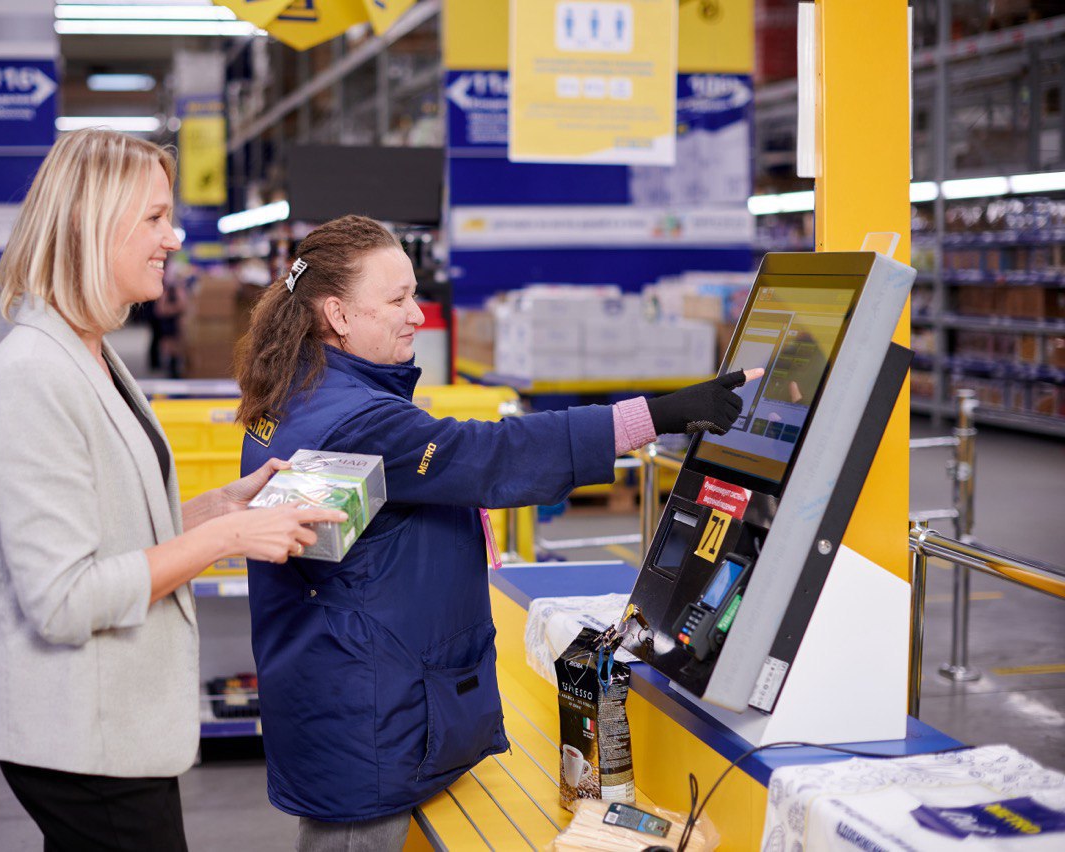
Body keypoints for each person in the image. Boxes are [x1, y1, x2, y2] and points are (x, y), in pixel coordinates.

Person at [233, 214, 762, 850]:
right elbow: (492, 456)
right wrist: (659, 414)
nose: (418, 315)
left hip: (343, 700)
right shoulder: (354, 420)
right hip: (365, 726)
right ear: (338, 315)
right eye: (398, 299)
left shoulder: (304, 391)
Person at [0, 128, 345, 851]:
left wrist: (217, 508)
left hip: (113, 723)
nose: (172, 236)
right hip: (83, 737)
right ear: (87, 224)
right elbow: (63, 598)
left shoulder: (90, 353)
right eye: (153, 217)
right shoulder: (34, 378)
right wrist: (225, 539)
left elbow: (107, 525)